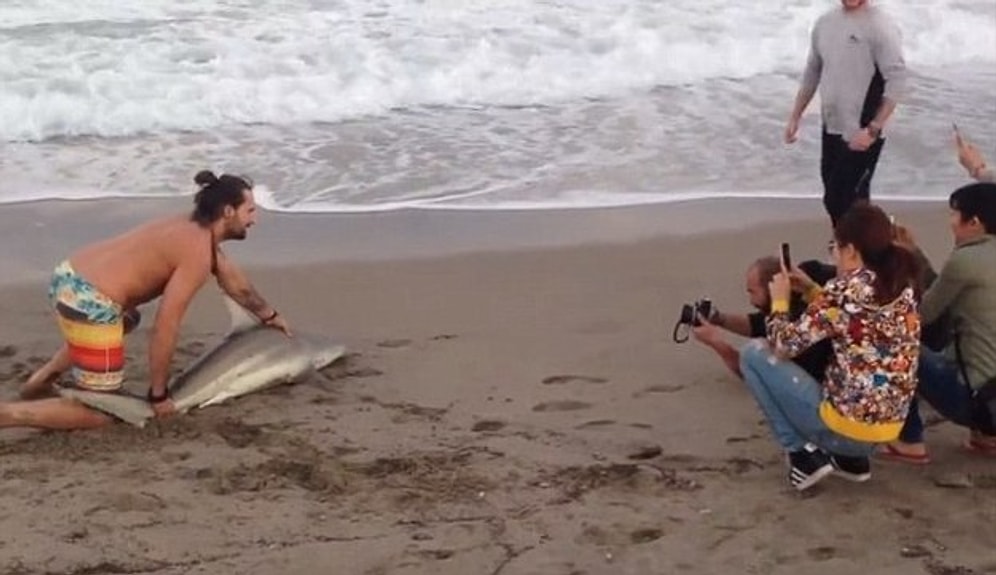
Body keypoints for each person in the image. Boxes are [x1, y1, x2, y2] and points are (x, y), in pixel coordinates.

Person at [0, 170, 291, 431]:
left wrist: (269, 315)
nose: (255, 218)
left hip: (69, 276)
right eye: (250, 210)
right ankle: (10, 415)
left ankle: (41, 380)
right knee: (106, 411)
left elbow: (237, 286)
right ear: (228, 211)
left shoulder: (190, 227)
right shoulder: (197, 255)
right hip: (89, 301)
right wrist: (159, 393)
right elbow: (166, 325)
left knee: (128, 319)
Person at [739, 202, 922, 491]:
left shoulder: (844, 289)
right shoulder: (901, 285)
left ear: (850, 250)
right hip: (887, 428)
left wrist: (779, 302)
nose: (833, 255)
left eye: (834, 247)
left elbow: (784, 345)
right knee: (849, 366)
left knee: (753, 354)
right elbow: (853, 318)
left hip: (847, 431)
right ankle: (850, 461)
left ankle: (801, 455)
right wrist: (812, 290)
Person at [883, 182, 996, 461]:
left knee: (896, 342)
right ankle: (986, 435)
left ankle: (909, 441)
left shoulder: (965, 259)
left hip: (978, 402)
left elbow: (922, 315)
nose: (951, 222)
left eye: (954, 214)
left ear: (975, 222)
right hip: (992, 400)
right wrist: (915, 252)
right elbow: (944, 295)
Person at [784, 0, 909, 227]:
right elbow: (812, 72)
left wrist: (873, 128)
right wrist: (795, 116)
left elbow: (897, 79)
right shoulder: (825, 23)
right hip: (832, 125)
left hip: (864, 129)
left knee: (848, 201)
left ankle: (864, 252)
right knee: (835, 199)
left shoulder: (880, 25)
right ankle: (849, 252)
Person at [692, 257, 836, 381]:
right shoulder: (813, 274)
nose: (751, 301)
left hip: (825, 392)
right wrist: (719, 319)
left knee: (754, 351)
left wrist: (717, 343)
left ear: (772, 288)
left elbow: (756, 372)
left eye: (752, 292)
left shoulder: (800, 324)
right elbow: (757, 324)